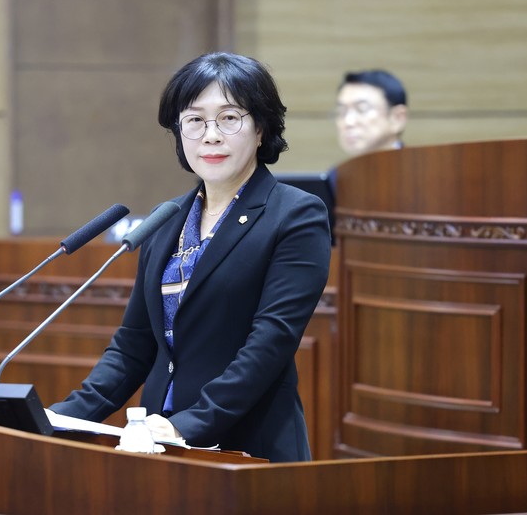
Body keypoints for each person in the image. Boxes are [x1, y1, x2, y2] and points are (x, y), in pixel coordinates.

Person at [48, 52, 331, 462]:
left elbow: (270, 343)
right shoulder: (167, 220)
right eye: (194, 120)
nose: (210, 135)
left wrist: (188, 424)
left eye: (229, 118)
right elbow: (133, 347)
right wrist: (60, 418)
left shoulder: (296, 215)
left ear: (260, 128)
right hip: (157, 444)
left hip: (249, 447)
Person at [334, 69, 408, 157]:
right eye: (342, 112)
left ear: (397, 118)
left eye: (362, 109)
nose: (348, 122)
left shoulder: (419, 165)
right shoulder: (340, 167)